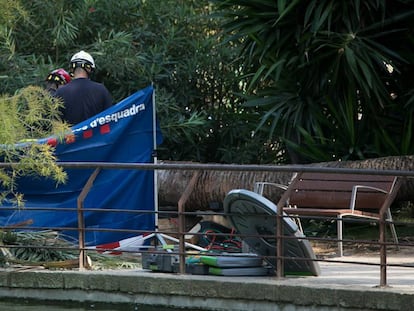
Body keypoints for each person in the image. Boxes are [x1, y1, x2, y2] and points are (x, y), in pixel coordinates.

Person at [55, 50, 113, 125]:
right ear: (89, 69)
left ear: (72, 69)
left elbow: (55, 123)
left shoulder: (61, 92)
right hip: (96, 135)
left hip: (71, 136)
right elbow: (110, 117)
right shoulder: (101, 90)